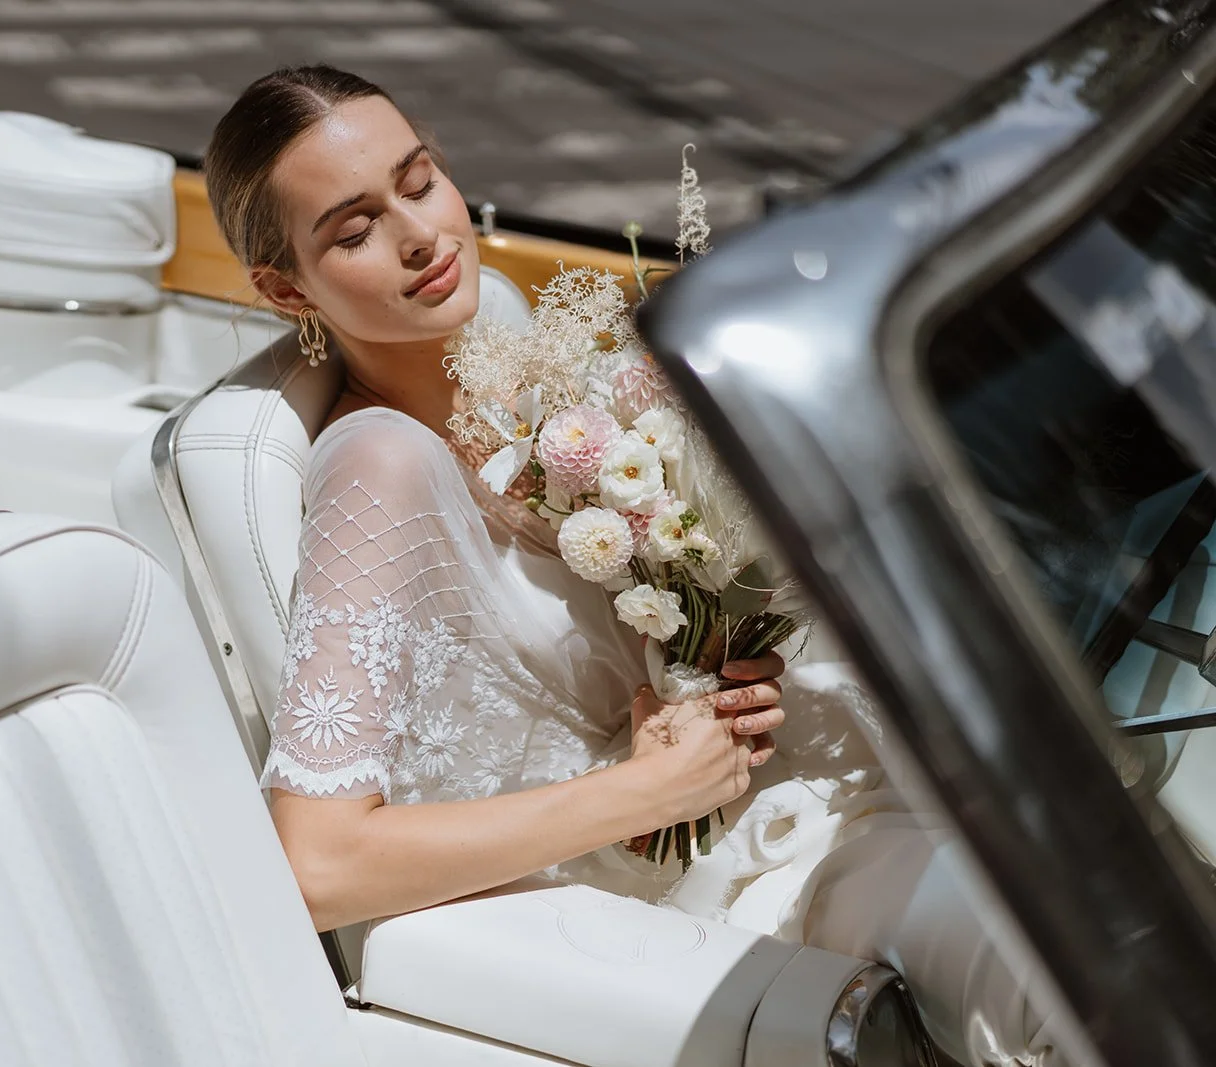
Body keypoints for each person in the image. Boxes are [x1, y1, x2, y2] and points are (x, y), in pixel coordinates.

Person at [203, 64, 1070, 1066]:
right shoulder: (379, 463)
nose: (418, 234)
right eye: (352, 230)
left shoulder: (518, 365)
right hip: (663, 911)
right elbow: (314, 860)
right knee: (1054, 965)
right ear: (282, 286)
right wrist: (644, 792)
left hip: (762, 805)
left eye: (419, 178)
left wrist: (713, 671)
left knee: (1073, 906)